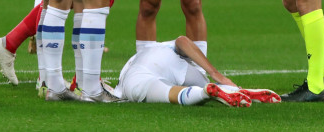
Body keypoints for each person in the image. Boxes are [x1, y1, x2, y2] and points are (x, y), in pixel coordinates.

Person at [114, 36, 279, 106]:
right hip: (173, 63)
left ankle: (205, 93)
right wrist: (217, 74)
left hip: (137, 78)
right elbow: (182, 40)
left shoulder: (130, 69)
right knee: (206, 83)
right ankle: (236, 90)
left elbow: (113, 95)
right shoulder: (162, 46)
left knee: (171, 93)